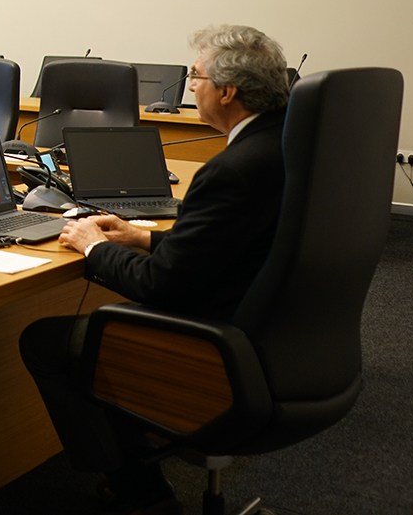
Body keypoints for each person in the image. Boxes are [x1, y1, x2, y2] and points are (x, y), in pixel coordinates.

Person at [19, 25, 292, 515]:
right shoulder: (285, 147)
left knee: (45, 341)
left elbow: (160, 285)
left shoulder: (231, 168)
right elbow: (228, 245)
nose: (191, 86)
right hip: (276, 332)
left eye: (196, 76)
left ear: (227, 91)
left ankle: (138, 490)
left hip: (217, 342)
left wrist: (93, 245)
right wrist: (144, 237)